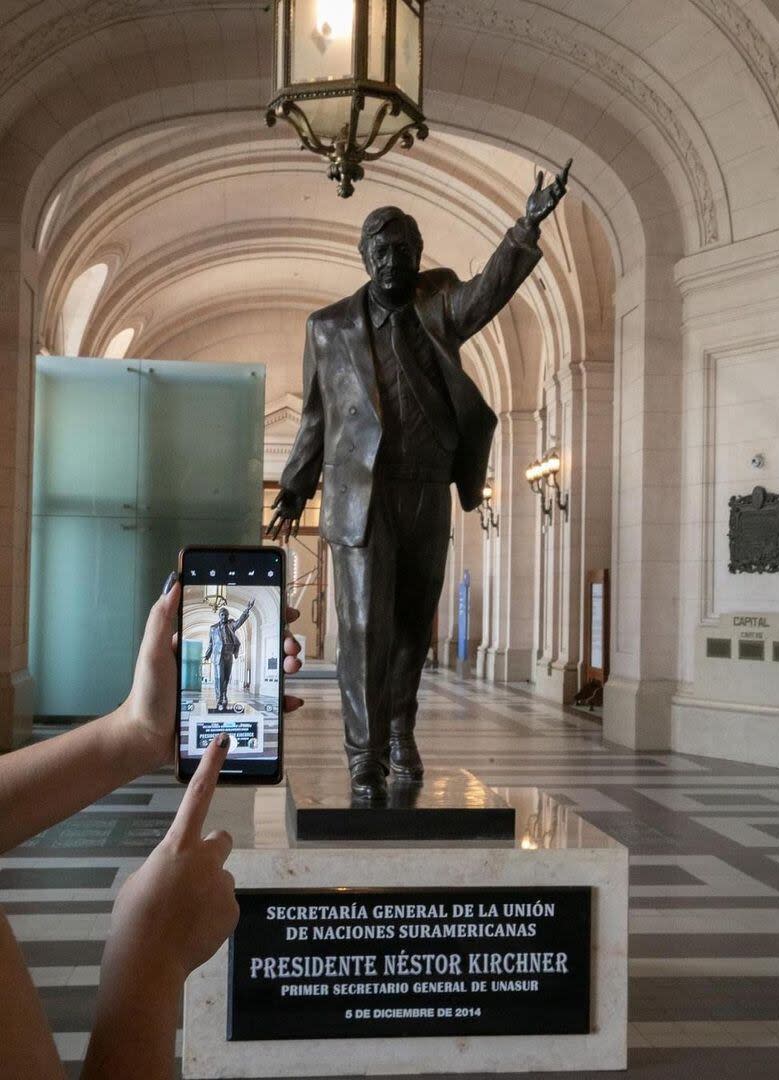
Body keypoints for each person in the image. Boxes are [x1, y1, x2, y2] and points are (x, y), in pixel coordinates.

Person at [268, 161, 571, 800]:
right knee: (361, 631)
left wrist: (524, 228)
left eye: (403, 252)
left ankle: (401, 727)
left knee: (412, 627)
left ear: (417, 256)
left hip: (428, 492)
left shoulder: (438, 309)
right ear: (364, 257)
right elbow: (317, 416)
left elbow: (488, 290)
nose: (392, 262)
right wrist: (295, 487)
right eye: (381, 252)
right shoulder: (329, 329)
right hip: (362, 501)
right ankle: (364, 755)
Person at [0, 572, 304, 1080]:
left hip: (220, 670)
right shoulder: (217, 632)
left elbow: (244, 622)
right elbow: (210, 653)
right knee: (221, 684)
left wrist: (139, 732)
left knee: (226, 685)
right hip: (220, 666)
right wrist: (151, 958)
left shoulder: (232, 625)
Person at [203, 598, 255, 709]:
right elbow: (211, 643)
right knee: (219, 677)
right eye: (222, 615)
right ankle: (220, 697)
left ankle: (224, 695)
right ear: (219, 616)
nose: (224, 617)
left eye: (226, 615)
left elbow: (240, 621)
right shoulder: (213, 629)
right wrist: (207, 655)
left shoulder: (231, 625)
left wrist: (247, 609)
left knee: (226, 677)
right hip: (218, 655)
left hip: (229, 654)